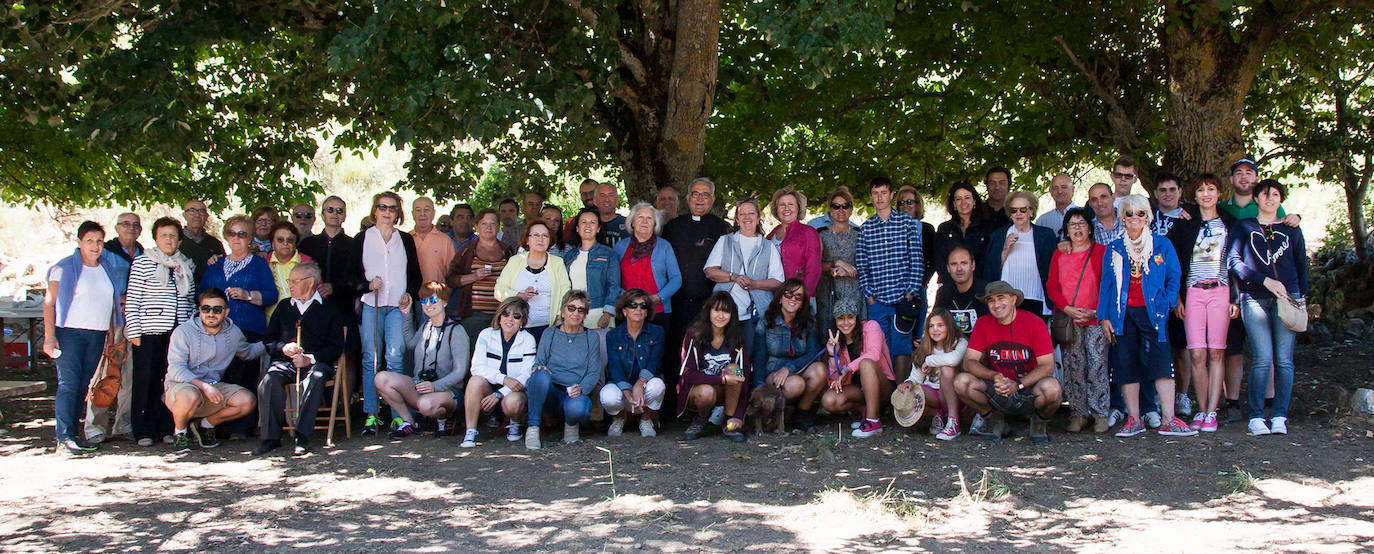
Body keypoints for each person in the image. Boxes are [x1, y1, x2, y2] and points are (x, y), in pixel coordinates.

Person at [1097, 194, 1194, 438]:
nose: (1134, 218)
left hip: (1154, 313)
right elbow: (1106, 285)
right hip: (1123, 315)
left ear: (1148, 216)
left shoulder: (1162, 245)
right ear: (1123, 217)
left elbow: (1175, 276)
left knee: (1162, 364)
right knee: (1126, 365)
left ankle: (1169, 420)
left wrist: (1168, 302)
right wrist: (1104, 317)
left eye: (1140, 213)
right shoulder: (1115, 248)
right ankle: (1133, 419)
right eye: (1129, 213)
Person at [1217, 157, 1301, 424]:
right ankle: (1251, 413)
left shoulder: (1290, 228)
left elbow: (1301, 264)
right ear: (1257, 197)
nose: (1269, 198)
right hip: (1252, 297)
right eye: (1265, 194)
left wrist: (1302, 296)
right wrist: (1262, 282)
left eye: (1275, 195)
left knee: (1284, 360)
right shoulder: (1241, 224)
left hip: (1286, 299)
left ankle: (1278, 413)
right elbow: (1234, 262)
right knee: (1259, 357)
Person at [43, 221, 128, 455]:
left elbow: (109, 303)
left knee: (83, 386)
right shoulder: (63, 268)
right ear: (79, 242)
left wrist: (111, 332)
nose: (95, 246)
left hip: (97, 334)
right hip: (69, 334)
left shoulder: (106, 267)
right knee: (68, 384)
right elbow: (49, 303)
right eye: (89, 240)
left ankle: (75, 435)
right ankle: (63, 438)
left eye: (99, 241)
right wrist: (50, 337)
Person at [253, 263, 347, 456]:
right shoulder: (284, 307)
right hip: (286, 362)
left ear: (310, 282)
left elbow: (336, 347)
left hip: (316, 363)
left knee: (317, 376)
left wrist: (309, 359)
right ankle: (270, 438)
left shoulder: (329, 309)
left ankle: (302, 437)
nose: (291, 286)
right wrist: (283, 348)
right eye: (290, 281)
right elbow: (269, 341)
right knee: (269, 380)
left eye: (295, 281)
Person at [951, 281, 1061, 443]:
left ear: (1013, 300)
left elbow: (1047, 366)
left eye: (1001, 298)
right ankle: (994, 421)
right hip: (998, 387)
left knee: (1053, 389)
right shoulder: (983, 323)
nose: (996, 304)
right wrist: (994, 375)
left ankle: (1039, 422)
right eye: (991, 300)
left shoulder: (1034, 322)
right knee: (961, 382)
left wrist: (1019, 384)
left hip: (1028, 388)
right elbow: (969, 362)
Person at [198, 214, 277, 440]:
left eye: (242, 234)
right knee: (219, 378)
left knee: (246, 378)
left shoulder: (258, 264)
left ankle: (242, 428)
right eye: (232, 233)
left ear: (250, 237)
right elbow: (200, 294)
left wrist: (248, 295)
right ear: (225, 236)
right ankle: (215, 425)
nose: (236, 238)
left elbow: (271, 295)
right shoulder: (216, 264)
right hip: (217, 332)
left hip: (248, 329)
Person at [1171, 174, 1238, 432]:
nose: (1206, 194)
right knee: (1197, 353)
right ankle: (1201, 409)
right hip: (1193, 292)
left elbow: (1237, 263)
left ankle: (1212, 411)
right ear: (1194, 195)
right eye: (1200, 190)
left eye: (1211, 189)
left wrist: (1235, 297)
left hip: (1220, 291)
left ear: (1219, 193)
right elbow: (1174, 264)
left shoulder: (1230, 223)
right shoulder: (1186, 224)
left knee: (1216, 352)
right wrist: (1177, 297)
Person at [125, 217, 197, 447]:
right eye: (164, 235)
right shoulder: (143, 262)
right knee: (146, 380)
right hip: (149, 331)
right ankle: (143, 430)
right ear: (156, 237)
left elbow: (190, 299)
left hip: (178, 333)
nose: (169, 239)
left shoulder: (185, 264)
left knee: (172, 381)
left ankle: (167, 426)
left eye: (173, 235)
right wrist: (134, 331)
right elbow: (133, 300)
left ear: (179, 239)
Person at [354, 191, 422, 436]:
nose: (387, 211)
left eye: (392, 208)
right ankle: (371, 414)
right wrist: (366, 285)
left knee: (396, 358)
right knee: (370, 359)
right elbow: (352, 276)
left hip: (397, 306)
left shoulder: (405, 240)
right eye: (382, 207)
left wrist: (410, 294)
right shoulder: (361, 238)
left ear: (398, 213)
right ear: (375, 210)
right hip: (371, 304)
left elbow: (415, 274)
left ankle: (397, 417)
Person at [163, 289, 264, 454]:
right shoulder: (183, 332)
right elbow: (176, 368)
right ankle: (180, 432)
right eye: (206, 309)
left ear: (226, 311)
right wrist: (204, 386)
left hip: (213, 386)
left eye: (217, 309)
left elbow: (248, 352)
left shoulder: (233, 332)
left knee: (247, 401)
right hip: (182, 386)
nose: (211, 313)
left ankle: (205, 425)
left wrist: (274, 342)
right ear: (199, 310)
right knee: (190, 395)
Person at [662, 177, 730, 415]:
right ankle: (672, 407)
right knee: (674, 355)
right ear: (688, 198)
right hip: (678, 303)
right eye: (695, 194)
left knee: (709, 355)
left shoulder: (722, 228)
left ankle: (707, 408)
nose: (700, 199)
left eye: (705, 195)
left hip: (708, 305)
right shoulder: (672, 227)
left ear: (712, 200)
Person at [374, 281, 470, 441]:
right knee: (381, 378)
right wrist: (406, 314)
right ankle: (408, 422)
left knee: (425, 405)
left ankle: (446, 417)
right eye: (424, 301)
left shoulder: (456, 330)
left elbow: (460, 371)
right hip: (422, 385)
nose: (428, 305)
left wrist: (435, 386)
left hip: (448, 391)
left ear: (444, 302)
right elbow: (411, 343)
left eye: (433, 300)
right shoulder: (427, 325)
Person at [856, 177, 925, 383]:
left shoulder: (907, 224)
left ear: (891, 195)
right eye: (875, 193)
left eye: (884, 193)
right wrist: (869, 297)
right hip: (877, 300)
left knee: (902, 346)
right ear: (871, 197)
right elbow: (862, 265)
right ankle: (885, 394)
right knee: (879, 347)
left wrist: (910, 293)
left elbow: (916, 260)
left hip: (902, 297)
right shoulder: (866, 228)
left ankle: (900, 394)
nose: (880, 197)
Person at [1047, 208, 1109, 433]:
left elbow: (1107, 284)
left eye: (1081, 223)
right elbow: (1052, 286)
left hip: (1095, 318)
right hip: (1069, 319)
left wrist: (1097, 311)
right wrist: (1068, 309)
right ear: (1065, 230)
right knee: (1074, 367)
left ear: (1090, 228)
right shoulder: (1059, 254)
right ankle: (1078, 413)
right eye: (1072, 224)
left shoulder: (1101, 251)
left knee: (1097, 366)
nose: (1077, 228)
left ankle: (1100, 413)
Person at [523, 290, 604, 449]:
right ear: (562, 311)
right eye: (571, 308)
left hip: (574, 392)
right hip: (551, 390)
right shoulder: (550, 333)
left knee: (577, 408)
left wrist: (581, 388)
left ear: (585, 314)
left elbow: (594, 371)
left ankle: (571, 424)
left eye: (581, 310)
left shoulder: (591, 337)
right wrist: (539, 369)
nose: (575, 313)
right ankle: (533, 428)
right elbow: (539, 362)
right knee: (539, 374)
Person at [705, 198, 783, 355]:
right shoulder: (725, 241)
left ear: (758, 216)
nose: (747, 217)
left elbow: (778, 281)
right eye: (742, 214)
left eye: (751, 213)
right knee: (721, 356)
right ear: (737, 218)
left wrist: (754, 284)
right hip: (723, 312)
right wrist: (733, 276)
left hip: (754, 315)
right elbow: (709, 271)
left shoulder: (768, 247)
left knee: (748, 358)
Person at [754, 279, 827, 432]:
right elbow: (759, 357)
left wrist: (789, 367)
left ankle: (802, 413)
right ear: (780, 298)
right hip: (772, 371)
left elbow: (812, 353)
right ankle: (776, 414)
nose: (793, 299)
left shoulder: (808, 322)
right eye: (788, 294)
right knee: (796, 384)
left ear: (802, 303)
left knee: (820, 369)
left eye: (798, 297)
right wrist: (759, 388)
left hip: (797, 369)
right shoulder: (766, 321)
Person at [462, 298, 536, 447]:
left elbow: (526, 376)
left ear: (523, 321)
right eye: (506, 313)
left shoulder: (528, 340)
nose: (510, 319)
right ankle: (470, 431)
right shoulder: (486, 334)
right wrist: (503, 379)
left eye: (516, 316)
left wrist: (500, 393)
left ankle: (514, 423)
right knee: (474, 381)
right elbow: (476, 367)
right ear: (499, 316)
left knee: (513, 402)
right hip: (490, 387)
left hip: (514, 391)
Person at [677, 292, 750, 442]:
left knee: (735, 368)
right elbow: (687, 374)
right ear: (708, 311)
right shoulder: (694, 334)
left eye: (726, 311)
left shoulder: (737, 337)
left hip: (726, 390)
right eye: (716, 310)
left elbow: (744, 377)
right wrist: (722, 379)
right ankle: (700, 419)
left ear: (732, 315)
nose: (720, 316)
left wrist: (738, 415)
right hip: (697, 391)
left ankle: (728, 420)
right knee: (706, 392)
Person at [819, 297, 895, 438]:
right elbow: (836, 379)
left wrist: (847, 368)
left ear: (857, 318)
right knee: (828, 400)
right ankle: (866, 411)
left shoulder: (871, 326)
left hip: (882, 385)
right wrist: (832, 354)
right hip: (858, 389)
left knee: (866, 363)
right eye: (841, 318)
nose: (846, 323)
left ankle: (873, 421)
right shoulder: (837, 339)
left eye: (850, 317)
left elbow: (874, 354)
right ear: (835, 321)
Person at [1152, 171, 1195, 419]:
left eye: (1173, 189)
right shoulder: (1146, 217)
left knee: (1182, 346)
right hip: (1152, 291)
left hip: (1182, 288)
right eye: (1163, 190)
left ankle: (1182, 394)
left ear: (1180, 192)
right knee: (1158, 344)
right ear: (1155, 194)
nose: (1168, 194)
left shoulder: (1191, 217)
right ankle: (1158, 394)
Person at [601, 289, 667, 437]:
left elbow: (654, 362)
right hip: (621, 386)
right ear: (624, 311)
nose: (638, 309)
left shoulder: (657, 332)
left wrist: (640, 383)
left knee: (658, 385)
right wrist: (626, 391)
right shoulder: (613, 335)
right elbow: (614, 366)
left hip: (644, 386)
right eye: (633, 305)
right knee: (608, 396)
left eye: (643, 306)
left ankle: (645, 419)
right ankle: (619, 418)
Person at [983, 191, 1057, 319]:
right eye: (1014, 210)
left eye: (1023, 209)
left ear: (1031, 212)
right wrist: (1006, 250)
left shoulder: (1045, 235)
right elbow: (990, 270)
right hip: (1007, 299)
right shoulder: (999, 235)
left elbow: (1054, 268)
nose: (1018, 213)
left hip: (1036, 297)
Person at [448, 209, 516, 344]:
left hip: (502, 314)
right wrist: (474, 277)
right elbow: (451, 279)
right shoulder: (467, 249)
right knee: (473, 354)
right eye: (484, 223)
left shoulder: (507, 250)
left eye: (493, 223)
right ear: (477, 226)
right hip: (473, 315)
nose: (488, 227)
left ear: (499, 227)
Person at [495, 221, 571, 341]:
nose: (540, 239)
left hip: (548, 327)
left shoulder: (557, 263)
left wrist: (559, 317)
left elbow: (565, 291)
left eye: (545, 236)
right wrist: (519, 296)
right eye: (535, 235)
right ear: (527, 240)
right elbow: (499, 289)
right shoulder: (515, 261)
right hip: (517, 326)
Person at [897, 309, 966, 440]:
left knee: (947, 368)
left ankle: (953, 421)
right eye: (931, 326)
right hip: (932, 396)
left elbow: (954, 359)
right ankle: (937, 414)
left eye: (940, 325)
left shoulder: (960, 343)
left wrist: (929, 361)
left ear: (949, 326)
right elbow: (916, 377)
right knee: (908, 392)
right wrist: (909, 382)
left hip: (954, 396)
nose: (935, 330)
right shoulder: (926, 347)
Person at [614, 202, 683, 327]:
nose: (645, 221)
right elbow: (612, 279)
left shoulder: (664, 246)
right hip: (627, 310)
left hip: (657, 311)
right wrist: (624, 296)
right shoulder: (620, 247)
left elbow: (676, 278)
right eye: (640, 217)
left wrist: (658, 297)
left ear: (655, 224)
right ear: (632, 222)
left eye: (649, 218)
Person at [299, 196, 358, 330]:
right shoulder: (307, 244)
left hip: (343, 306)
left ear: (344, 216)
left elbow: (358, 277)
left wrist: (334, 287)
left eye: (339, 211)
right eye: (330, 210)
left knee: (343, 348)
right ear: (323, 215)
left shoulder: (354, 244)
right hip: (312, 304)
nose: (335, 214)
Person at [563, 208, 621, 331]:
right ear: (577, 228)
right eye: (583, 222)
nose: (588, 225)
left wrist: (608, 313)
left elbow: (614, 286)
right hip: (573, 314)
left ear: (598, 228)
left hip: (599, 313)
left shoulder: (609, 254)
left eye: (592, 222)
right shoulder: (569, 256)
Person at [817, 186, 863, 332]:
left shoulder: (861, 234)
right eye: (836, 206)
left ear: (851, 209)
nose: (840, 210)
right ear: (830, 209)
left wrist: (851, 272)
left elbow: (870, 268)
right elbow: (815, 266)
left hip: (854, 292)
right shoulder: (820, 235)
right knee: (828, 334)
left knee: (854, 335)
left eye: (845, 205)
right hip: (828, 292)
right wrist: (834, 265)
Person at [934, 181, 994, 285]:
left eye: (967, 198)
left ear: (974, 201)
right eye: (958, 199)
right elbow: (939, 261)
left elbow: (988, 260)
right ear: (954, 204)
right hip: (949, 286)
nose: (963, 202)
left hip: (979, 286)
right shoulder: (944, 229)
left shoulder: (986, 228)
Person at [766, 187, 822, 296]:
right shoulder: (772, 234)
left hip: (798, 296)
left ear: (798, 208)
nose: (786, 208)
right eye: (782, 205)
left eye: (791, 204)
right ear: (776, 209)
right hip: (774, 295)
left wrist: (802, 296)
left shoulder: (808, 232)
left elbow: (813, 268)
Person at [932, 245, 988, 335]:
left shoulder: (986, 291)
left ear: (973, 265)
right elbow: (935, 322)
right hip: (951, 346)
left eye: (964, 263)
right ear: (948, 268)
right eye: (954, 264)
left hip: (979, 346)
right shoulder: (944, 292)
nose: (959, 269)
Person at [265, 222, 312, 321]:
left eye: (290, 240)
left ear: (295, 243)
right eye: (280, 240)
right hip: (270, 321)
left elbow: (317, 292)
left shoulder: (306, 262)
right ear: (272, 243)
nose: (285, 243)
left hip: (301, 320)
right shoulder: (264, 263)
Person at [896, 186, 937, 289]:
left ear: (917, 204)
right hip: (896, 288)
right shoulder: (892, 228)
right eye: (901, 203)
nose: (905, 206)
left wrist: (923, 281)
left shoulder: (928, 229)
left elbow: (933, 259)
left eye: (909, 202)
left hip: (919, 287)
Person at [411, 196, 456, 285]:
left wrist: (445, 294)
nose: (422, 214)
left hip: (436, 297)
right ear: (412, 214)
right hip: (409, 297)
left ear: (434, 213)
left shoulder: (445, 240)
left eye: (426, 210)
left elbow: (452, 274)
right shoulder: (405, 239)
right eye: (418, 210)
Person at [178, 200, 225, 284]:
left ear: (207, 216)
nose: (197, 215)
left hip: (207, 292)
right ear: (184, 215)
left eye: (201, 211)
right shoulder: (176, 241)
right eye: (192, 211)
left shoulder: (215, 243)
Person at [562, 178, 600, 244]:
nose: (588, 197)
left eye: (592, 193)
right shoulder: (571, 223)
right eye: (584, 194)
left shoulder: (610, 220)